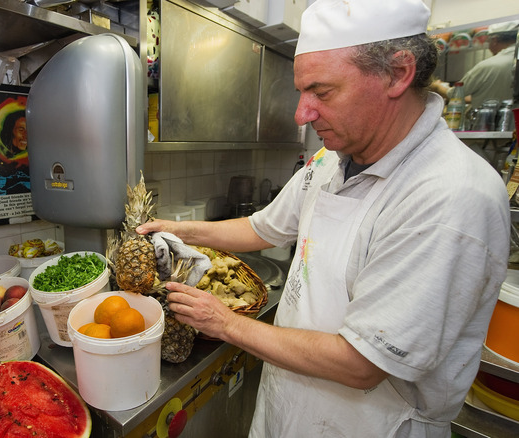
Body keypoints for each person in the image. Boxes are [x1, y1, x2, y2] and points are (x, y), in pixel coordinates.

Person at [136, 1, 510, 436]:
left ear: (398, 73)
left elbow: (361, 364)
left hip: (370, 424)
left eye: (323, 92)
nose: (302, 114)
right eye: (301, 92)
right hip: (289, 404)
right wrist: (179, 229)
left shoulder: (450, 197)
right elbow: (263, 227)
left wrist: (225, 322)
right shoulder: (334, 159)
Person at [445, 21, 518, 110]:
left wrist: (437, 86)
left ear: (494, 40)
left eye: (488, 41)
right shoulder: (512, 60)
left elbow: (454, 94)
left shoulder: (488, 66)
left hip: (489, 121)